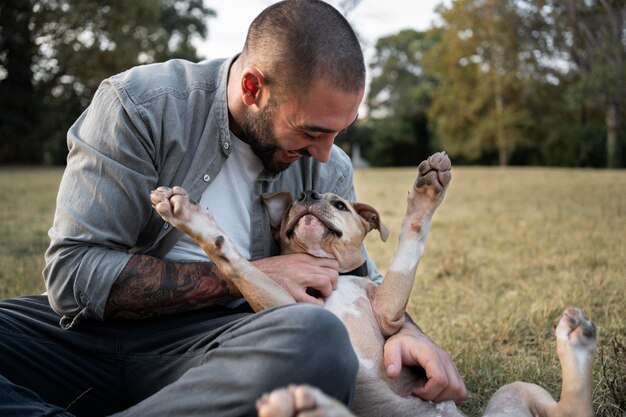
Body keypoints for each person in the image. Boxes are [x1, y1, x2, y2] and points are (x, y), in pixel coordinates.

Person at [0, 1, 467, 416]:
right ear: (252, 88)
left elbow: (357, 279)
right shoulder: (140, 106)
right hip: (85, 338)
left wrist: (409, 338)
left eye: (337, 132)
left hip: (227, 347)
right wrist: (252, 273)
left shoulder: (327, 169)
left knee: (315, 343)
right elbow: (72, 277)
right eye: (310, 132)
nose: (325, 155)